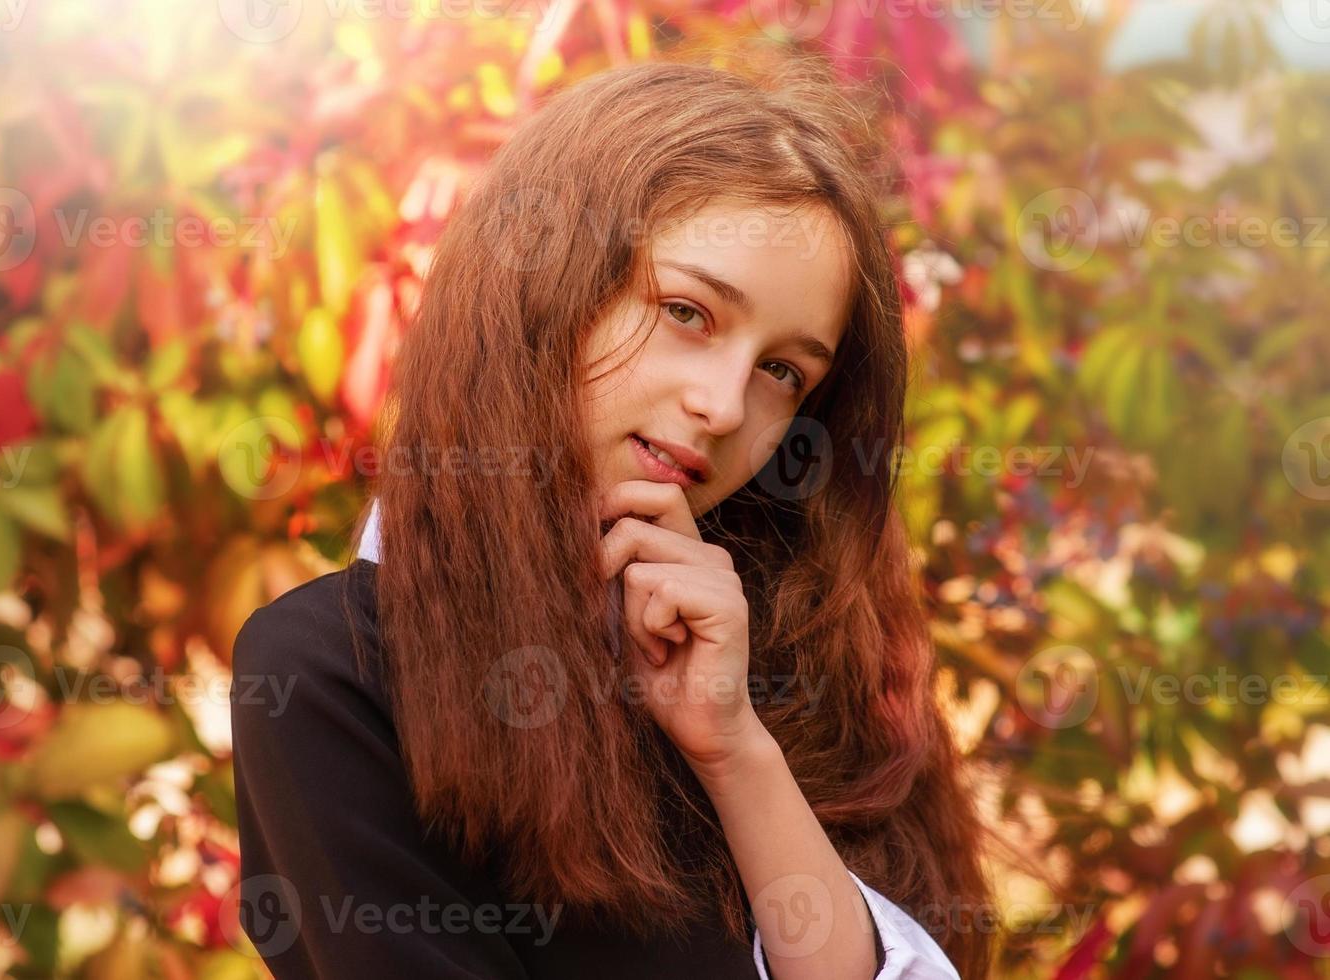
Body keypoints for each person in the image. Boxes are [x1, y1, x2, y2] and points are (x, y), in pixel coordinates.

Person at [232, 47, 996, 979]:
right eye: (688, 311)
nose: (724, 405)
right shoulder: (335, 668)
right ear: (545, 281)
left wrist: (735, 752)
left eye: (784, 372)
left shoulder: (767, 656)